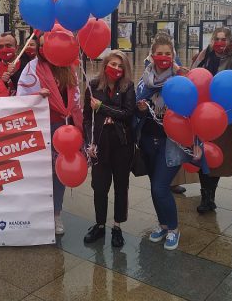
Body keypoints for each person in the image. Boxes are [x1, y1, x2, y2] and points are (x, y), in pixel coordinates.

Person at [16, 34, 82, 235]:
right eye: (41, 46)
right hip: (39, 126)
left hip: (62, 128)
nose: (44, 49)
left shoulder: (68, 69)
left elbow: (75, 97)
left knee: (58, 173)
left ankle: (56, 214)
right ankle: (35, 212)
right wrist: (38, 96)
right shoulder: (31, 68)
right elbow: (20, 98)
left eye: (48, 45)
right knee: (37, 171)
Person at [135, 33, 189, 250]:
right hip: (148, 138)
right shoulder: (145, 78)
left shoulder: (181, 79)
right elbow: (137, 108)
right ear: (152, 55)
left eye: (168, 53)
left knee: (160, 187)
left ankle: (174, 229)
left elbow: (190, 108)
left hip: (172, 142)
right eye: (159, 54)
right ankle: (163, 224)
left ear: (173, 55)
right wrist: (140, 109)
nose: (163, 57)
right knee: (154, 187)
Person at [82, 50, 135, 248]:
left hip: (122, 144)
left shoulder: (128, 86)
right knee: (99, 187)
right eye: (113, 64)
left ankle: (117, 226)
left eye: (121, 66)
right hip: (100, 145)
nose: (117, 69)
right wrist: (89, 142)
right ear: (105, 65)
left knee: (121, 186)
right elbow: (87, 117)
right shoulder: (93, 86)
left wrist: (102, 107)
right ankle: (100, 224)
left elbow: (128, 113)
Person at [190, 27, 232, 213]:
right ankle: (205, 195)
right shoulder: (204, 56)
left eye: (224, 39)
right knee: (203, 155)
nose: (220, 43)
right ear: (212, 40)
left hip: (225, 115)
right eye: (217, 39)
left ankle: (211, 195)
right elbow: (193, 77)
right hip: (203, 114)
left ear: (230, 41)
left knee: (218, 156)